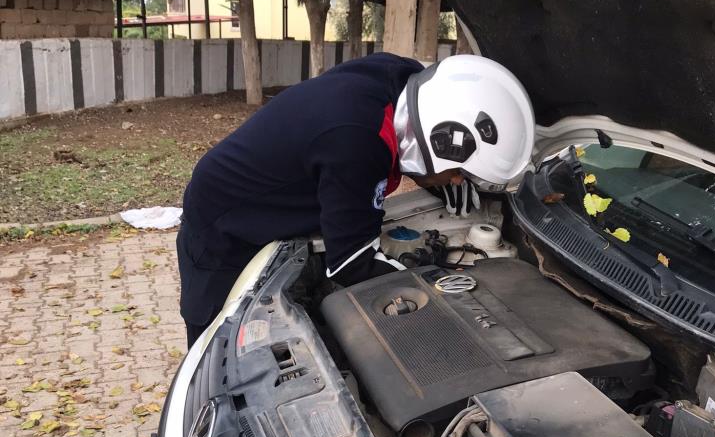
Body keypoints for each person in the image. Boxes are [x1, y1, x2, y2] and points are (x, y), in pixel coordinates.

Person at [177, 51, 535, 347]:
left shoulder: (405, 81)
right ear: (436, 141)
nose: (458, 180)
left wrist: (441, 180)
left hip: (280, 182)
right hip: (223, 221)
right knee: (216, 338)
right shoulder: (359, 144)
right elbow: (350, 265)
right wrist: (438, 288)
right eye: (458, 170)